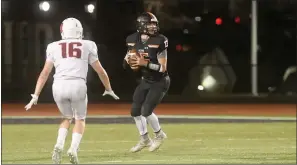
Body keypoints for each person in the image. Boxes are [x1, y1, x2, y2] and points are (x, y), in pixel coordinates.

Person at [24, 17, 119, 164]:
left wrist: (35, 95)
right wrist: (108, 88)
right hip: (77, 85)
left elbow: (44, 73)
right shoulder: (88, 45)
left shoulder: (53, 46)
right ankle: (73, 149)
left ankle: (59, 145)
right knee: (80, 119)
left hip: (59, 86)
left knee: (66, 117)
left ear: (62, 31)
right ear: (80, 31)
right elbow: (101, 71)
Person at [123, 12, 170, 152]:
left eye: (154, 24)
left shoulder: (160, 40)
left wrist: (145, 64)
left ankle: (160, 135)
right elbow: (127, 60)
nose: (153, 27)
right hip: (146, 80)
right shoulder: (132, 39)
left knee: (146, 111)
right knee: (135, 111)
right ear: (141, 25)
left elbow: (162, 68)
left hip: (160, 81)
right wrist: (128, 62)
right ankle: (144, 139)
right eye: (150, 24)